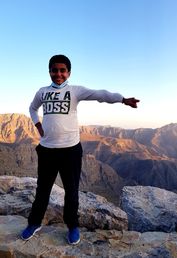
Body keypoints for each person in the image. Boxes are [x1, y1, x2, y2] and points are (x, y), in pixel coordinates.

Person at [21, 54, 139, 245]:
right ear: (49, 71)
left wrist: (122, 100)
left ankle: (72, 226)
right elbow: (32, 108)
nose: (58, 74)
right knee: (43, 189)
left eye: (62, 70)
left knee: (71, 190)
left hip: (71, 151)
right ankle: (34, 223)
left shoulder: (75, 91)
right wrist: (38, 126)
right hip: (47, 150)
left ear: (68, 72)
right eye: (54, 70)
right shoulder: (42, 92)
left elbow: (100, 94)